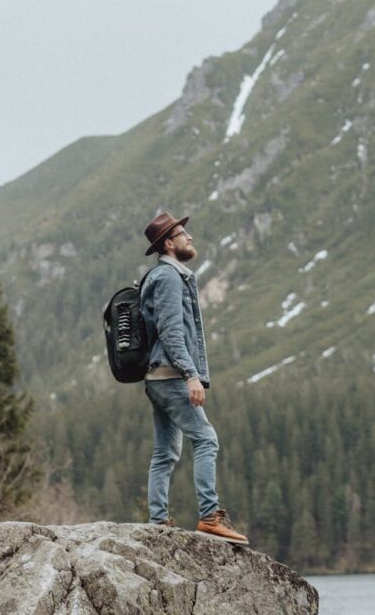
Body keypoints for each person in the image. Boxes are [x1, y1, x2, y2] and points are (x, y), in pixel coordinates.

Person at [140, 210, 249, 545]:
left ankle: (158, 521)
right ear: (169, 244)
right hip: (171, 375)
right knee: (205, 439)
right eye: (183, 234)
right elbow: (171, 332)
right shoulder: (169, 278)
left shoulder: (162, 276)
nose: (190, 237)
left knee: (165, 453)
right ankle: (210, 517)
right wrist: (191, 375)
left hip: (156, 376)